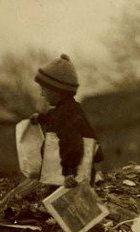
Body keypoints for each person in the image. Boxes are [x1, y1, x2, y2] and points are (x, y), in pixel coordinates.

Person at [31, 53, 103, 188]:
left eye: (44, 89)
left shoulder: (66, 114)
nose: (41, 94)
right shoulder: (66, 109)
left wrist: (69, 173)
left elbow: (72, 144)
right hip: (72, 173)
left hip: (71, 177)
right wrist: (40, 118)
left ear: (57, 91)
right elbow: (53, 117)